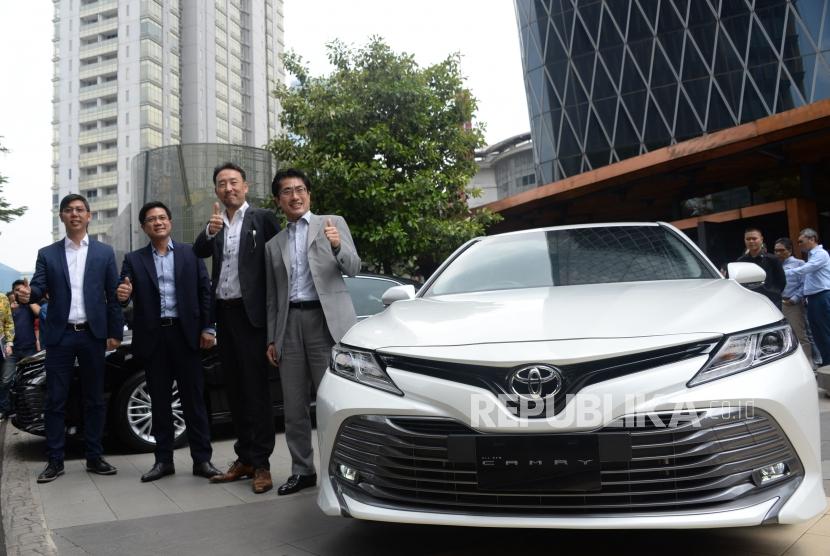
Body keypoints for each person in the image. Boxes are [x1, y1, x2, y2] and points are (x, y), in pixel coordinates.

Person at [265, 168, 361, 495]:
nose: (295, 196)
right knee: (293, 407)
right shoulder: (273, 244)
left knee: (331, 402)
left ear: (309, 194)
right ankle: (302, 470)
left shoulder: (332, 223)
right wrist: (271, 338)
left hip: (326, 322)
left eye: (300, 189)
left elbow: (353, 267)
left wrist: (337, 246)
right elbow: (272, 297)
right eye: (287, 191)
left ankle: (340, 470)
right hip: (289, 324)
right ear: (279, 200)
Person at [16, 194, 123, 483]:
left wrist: (115, 332)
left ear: (89, 216)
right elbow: (38, 288)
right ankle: (55, 460)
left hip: (92, 335)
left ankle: (94, 457)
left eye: (79, 210)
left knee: (94, 400)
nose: (74, 214)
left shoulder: (104, 253)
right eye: (68, 210)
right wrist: (28, 296)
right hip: (60, 336)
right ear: (62, 217)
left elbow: (113, 296)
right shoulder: (47, 254)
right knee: (55, 400)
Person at [116, 201, 222, 483]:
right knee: (159, 402)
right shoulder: (134, 259)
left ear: (170, 222)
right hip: (153, 338)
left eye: (162, 217)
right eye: (151, 219)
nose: (158, 222)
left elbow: (205, 292)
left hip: (186, 335)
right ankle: (163, 461)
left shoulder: (190, 254)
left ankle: (202, 460)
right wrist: (123, 293)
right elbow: (123, 295)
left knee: (194, 401)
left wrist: (208, 328)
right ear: (144, 227)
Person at [193, 162, 280, 494]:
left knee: (256, 393)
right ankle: (243, 458)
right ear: (216, 191)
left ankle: (262, 464)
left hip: (252, 317)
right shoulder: (216, 224)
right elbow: (198, 252)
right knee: (234, 391)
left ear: (246, 186)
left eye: (233, 182)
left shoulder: (262, 220)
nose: (227, 188)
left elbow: (277, 267)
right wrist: (210, 231)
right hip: (224, 316)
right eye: (221, 183)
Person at [785, 228, 830, 365]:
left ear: (812, 239)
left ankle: (828, 362)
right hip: (814, 298)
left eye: (801, 241)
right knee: (817, 332)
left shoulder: (820, 254)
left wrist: (785, 273)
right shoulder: (812, 255)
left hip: (821, 296)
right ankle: (826, 361)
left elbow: (805, 269)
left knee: (823, 330)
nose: (799, 245)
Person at [774, 238, 814, 365]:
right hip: (777, 304)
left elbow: (805, 284)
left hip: (792, 304)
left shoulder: (799, 263)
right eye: (776, 251)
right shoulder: (774, 264)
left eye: (781, 250)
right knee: (782, 336)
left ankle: (808, 363)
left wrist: (794, 299)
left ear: (790, 250)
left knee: (799, 334)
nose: (778, 253)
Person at [737, 227, 786, 308]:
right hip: (749, 303)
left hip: (771, 302)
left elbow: (781, 282)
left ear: (761, 239)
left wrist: (773, 294)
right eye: (748, 239)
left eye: (754, 238)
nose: (751, 241)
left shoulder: (772, 259)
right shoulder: (741, 261)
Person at [0, 292, 14, 420]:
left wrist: (9, 342)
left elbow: (8, 322)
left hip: (2, 343)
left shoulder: (3, 298)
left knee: (6, 380)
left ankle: (4, 409)